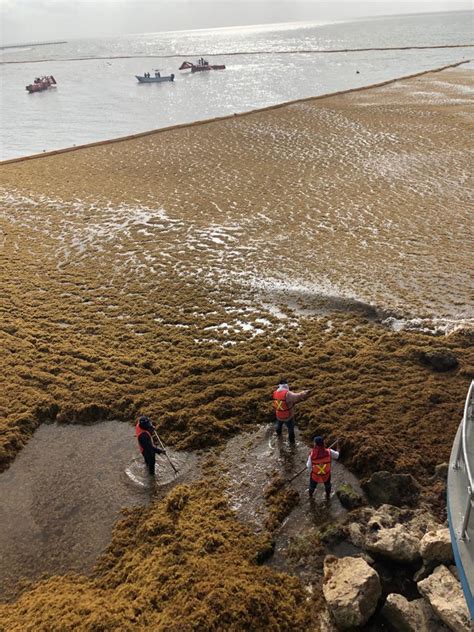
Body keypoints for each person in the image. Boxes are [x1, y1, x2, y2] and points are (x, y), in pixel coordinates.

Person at [272, 378, 311, 442]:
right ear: (286, 385)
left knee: (279, 426)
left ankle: (278, 435)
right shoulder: (287, 394)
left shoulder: (275, 393)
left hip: (279, 414)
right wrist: (305, 392)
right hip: (288, 416)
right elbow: (297, 396)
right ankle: (292, 442)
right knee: (290, 428)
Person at [307, 436, 339, 500]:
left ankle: (310, 496)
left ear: (315, 444)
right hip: (326, 475)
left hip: (315, 476)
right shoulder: (330, 451)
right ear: (323, 443)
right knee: (327, 485)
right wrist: (338, 448)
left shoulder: (312, 454)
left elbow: (308, 466)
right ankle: (328, 496)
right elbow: (337, 456)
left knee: (312, 486)